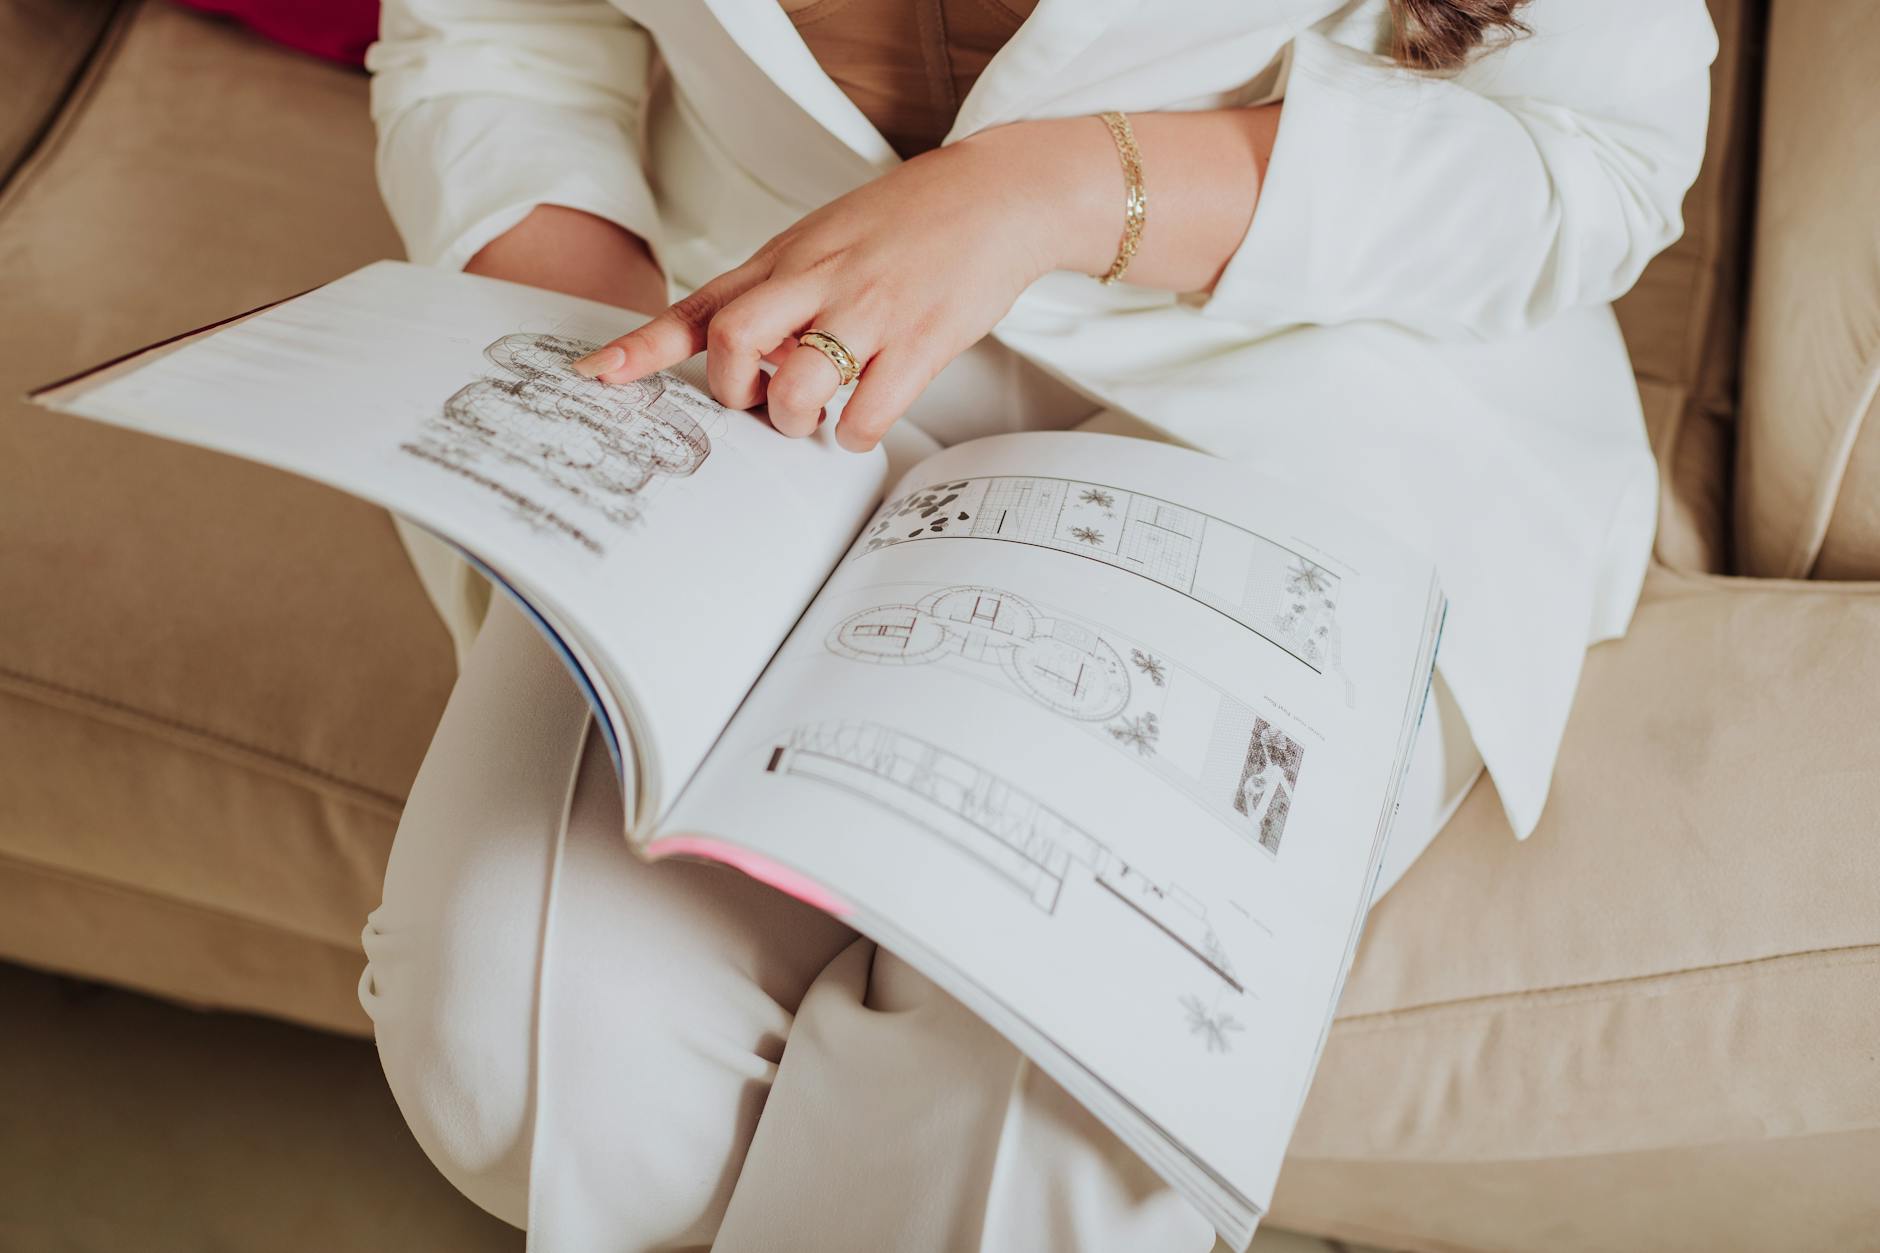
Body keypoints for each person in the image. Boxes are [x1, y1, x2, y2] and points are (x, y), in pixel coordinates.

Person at [357, 1, 1716, 1248]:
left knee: (1030, 1108)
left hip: (1312, 372)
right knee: (510, 1048)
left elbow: (1598, 156)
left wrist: (1051, 191)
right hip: (763, 336)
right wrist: (633, 371)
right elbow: (496, 42)